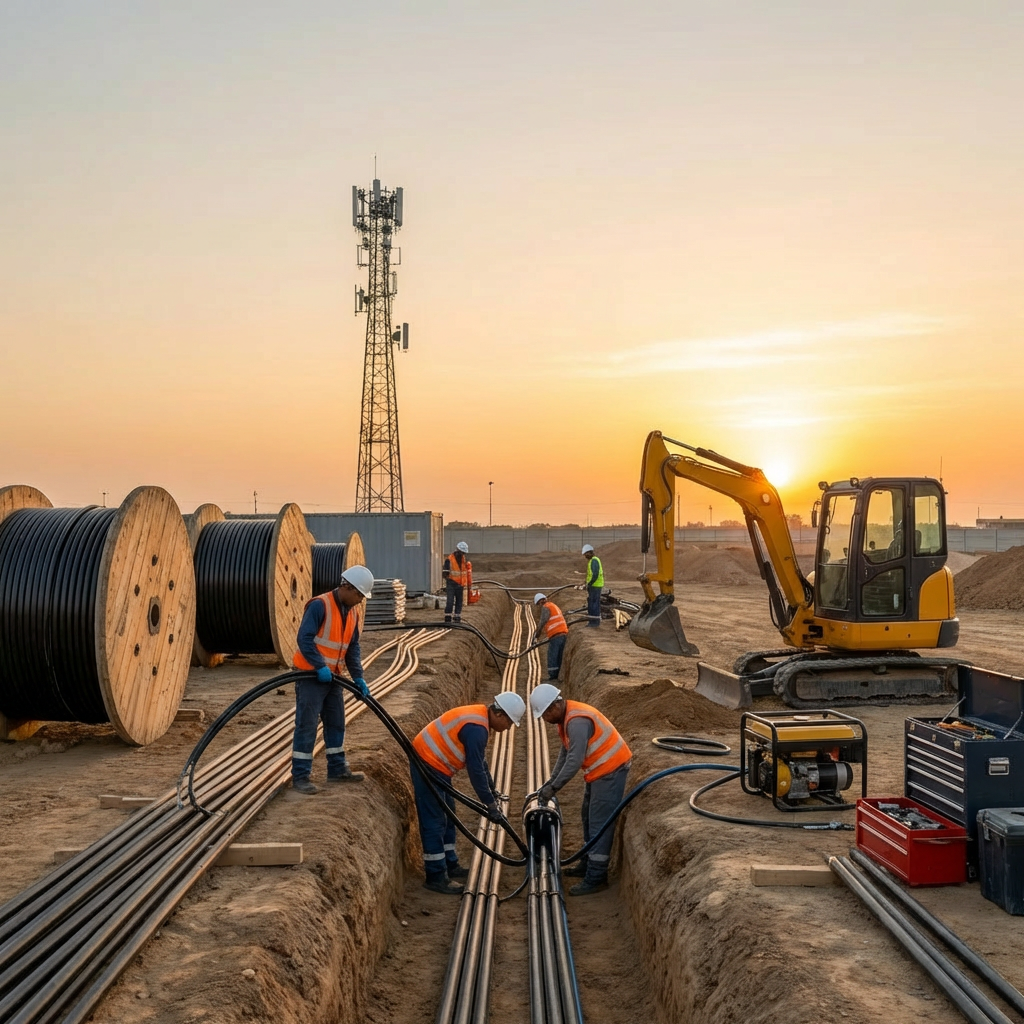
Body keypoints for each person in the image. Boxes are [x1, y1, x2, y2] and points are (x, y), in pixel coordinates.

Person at [411, 692, 526, 894]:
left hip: (437, 766)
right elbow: (475, 771)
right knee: (435, 820)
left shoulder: (480, 719)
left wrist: (491, 787)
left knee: (448, 814)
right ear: (500, 715)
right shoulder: (477, 729)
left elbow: (480, 762)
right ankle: (436, 876)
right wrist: (489, 804)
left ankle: (450, 864)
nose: (508, 728)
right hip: (427, 763)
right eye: (509, 723)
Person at [530, 683, 632, 896]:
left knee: (599, 823)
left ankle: (596, 876)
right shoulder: (566, 718)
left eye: (545, 716)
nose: (546, 721)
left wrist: (555, 787)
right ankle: (587, 861)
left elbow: (574, 761)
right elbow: (565, 754)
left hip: (610, 771)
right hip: (597, 772)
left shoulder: (577, 721)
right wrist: (550, 783)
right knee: (587, 816)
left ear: (553, 708)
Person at [290, 564, 375, 795]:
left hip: (333, 677)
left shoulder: (353, 612)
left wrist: (358, 678)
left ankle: (337, 769)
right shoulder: (320, 605)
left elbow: (352, 648)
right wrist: (319, 666)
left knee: (336, 722)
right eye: (359, 595)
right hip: (311, 676)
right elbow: (304, 638)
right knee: (307, 725)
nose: (360, 600)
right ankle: (300, 776)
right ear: (347, 587)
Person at [532, 592, 569, 681]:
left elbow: (542, 622)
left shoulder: (546, 607)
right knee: (559, 655)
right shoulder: (553, 605)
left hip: (556, 635)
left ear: (540, 602)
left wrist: (537, 635)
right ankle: (558, 674)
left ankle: (553, 675)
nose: (540, 606)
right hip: (563, 633)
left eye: (538, 604)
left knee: (552, 655)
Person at [443, 541, 470, 624]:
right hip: (451, 583)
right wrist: (447, 581)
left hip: (460, 584)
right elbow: (445, 573)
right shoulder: (449, 559)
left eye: (464, 553)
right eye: (462, 553)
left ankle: (457, 616)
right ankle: (448, 617)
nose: (463, 555)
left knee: (459, 601)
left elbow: (464, 573)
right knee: (450, 601)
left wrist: (465, 584)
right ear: (458, 551)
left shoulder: (463, 560)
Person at [582, 544, 604, 628]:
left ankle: (594, 622)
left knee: (594, 604)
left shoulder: (594, 560)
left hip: (595, 586)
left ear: (590, 552)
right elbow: (590, 575)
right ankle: (592, 621)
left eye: (586, 554)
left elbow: (595, 575)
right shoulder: (591, 561)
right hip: (593, 586)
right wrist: (586, 583)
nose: (585, 556)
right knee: (591, 603)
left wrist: (589, 584)